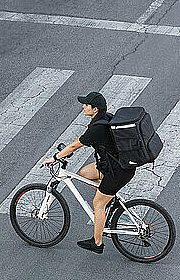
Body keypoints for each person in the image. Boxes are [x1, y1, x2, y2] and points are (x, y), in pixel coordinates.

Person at [41, 92, 136, 254]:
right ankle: (108, 198)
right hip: (113, 165)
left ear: (95, 109)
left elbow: (74, 146)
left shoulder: (97, 128)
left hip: (118, 171)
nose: (83, 106)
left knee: (98, 204)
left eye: (86, 105)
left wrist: (54, 158)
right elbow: (81, 140)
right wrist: (67, 150)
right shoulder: (104, 118)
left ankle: (97, 243)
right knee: (85, 172)